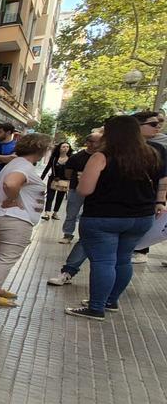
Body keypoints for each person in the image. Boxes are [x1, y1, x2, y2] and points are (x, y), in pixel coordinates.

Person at [65, 115, 164, 319]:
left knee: (103, 261)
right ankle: (110, 300)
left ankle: (96, 307)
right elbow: (162, 182)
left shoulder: (101, 157)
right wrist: (159, 202)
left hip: (104, 216)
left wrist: (84, 178)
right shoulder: (152, 155)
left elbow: (85, 189)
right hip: (141, 217)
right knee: (123, 259)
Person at [0, 133, 52, 307]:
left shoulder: (16, 163)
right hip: (15, 219)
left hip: (3, 216)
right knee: (8, 255)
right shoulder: (23, 166)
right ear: (40, 149)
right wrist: (13, 199)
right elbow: (11, 183)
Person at [131, 110, 167, 263]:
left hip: (146, 203)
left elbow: (163, 177)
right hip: (115, 206)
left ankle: (141, 251)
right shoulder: (117, 147)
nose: (158, 126)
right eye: (153, 124)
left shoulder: (159, 148)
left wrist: (160, 201)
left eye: (160, 123)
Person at [59, 131, 101, 243]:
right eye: (96, 142)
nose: (99, 144)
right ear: (88, 143)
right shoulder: (76, 157)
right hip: (76, 189)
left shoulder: (103, 157)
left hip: (96, 191)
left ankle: (87, 236)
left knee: (91, 214)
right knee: (72, 212)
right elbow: (68, 173)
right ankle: (67, 234)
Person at [40, 141, 74, 221]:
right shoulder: (54, 158)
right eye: (63, 147)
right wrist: (41, 179)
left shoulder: (71, 159)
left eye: (67, 147)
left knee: (60, 197)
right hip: (53, 179)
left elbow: (73, 171)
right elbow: (47, 168)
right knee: (50, 196)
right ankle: (47, 213)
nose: (65, 148)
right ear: (59, 148)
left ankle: (55, 213)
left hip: (64, 181)